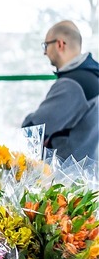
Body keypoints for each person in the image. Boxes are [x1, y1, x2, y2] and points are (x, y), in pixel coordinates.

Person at [23, 20, 99, 161]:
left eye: (46, 45)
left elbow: (33, 129)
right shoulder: (93, 75)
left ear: (59, 44)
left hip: (70, 178)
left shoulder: (73, 84)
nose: (45, 52)